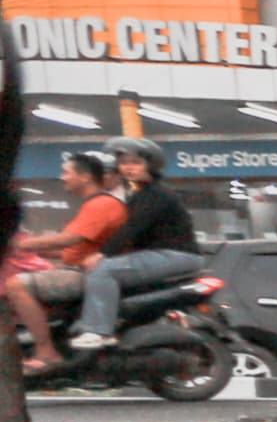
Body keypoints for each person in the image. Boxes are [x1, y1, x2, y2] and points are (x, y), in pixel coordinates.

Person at [58, 135, 200, 351]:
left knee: (104, 270)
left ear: (151, 165)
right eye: (123, 163)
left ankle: (98, 331)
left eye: (135, 162)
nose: (128, 168)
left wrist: (101, 254)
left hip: (175, 255)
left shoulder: (156, 194)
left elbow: (132, 229)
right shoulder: (139, 194)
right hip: (162, 255)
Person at [12, 146, 121, 368]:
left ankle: (46, 352)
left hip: (84, 274)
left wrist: (19, 244)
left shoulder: (102, 204)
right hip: (78, 269)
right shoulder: (94, 204)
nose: (62, 178)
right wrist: (33, 249)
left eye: (66, 172)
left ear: (86, 176)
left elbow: (68, 239)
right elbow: (73, 249)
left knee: (15, 286)